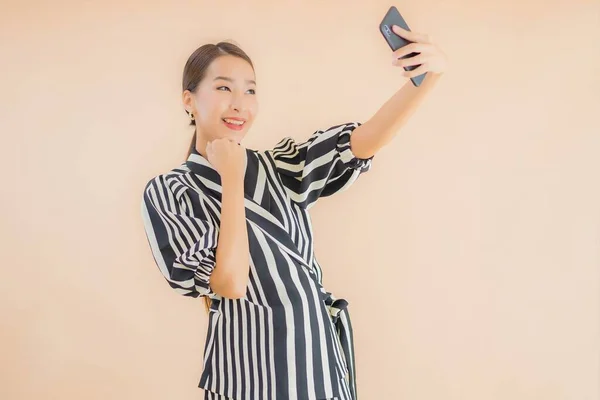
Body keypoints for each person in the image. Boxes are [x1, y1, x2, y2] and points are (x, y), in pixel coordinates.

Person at [141, 24, 447, 400]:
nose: (240, 104)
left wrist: (426, 80)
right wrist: (232, 176)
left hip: (318, 367)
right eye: (224, 88)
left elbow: (360, 144)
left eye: (250, 90)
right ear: (188, 100)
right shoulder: (171, 191)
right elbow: (230, 282)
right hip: (248, 376)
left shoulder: (279, 167)